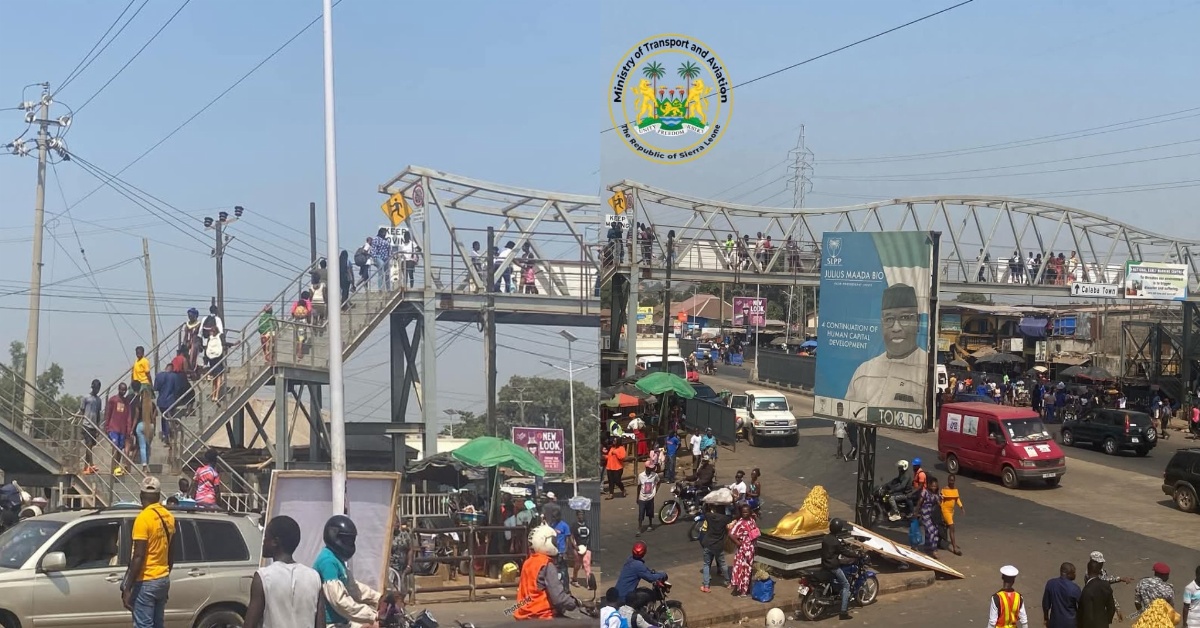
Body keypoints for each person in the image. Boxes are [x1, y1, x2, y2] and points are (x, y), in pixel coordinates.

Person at [844, 283, 927, 411]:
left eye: (905, 318)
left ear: (918, 321)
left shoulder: (927, 370)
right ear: (882, 323)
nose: (896, 328)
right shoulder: (864, 371)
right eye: (889, 319)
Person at [244, 515, 323, 628]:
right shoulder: (314, 577)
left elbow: (249, 625)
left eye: (266, 536)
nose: (263, 541)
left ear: (275, 542)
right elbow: (320, 624)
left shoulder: (263, 577)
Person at [122, 477, 176, 628]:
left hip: (145, 581)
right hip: (162, 578)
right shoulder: (169, 517)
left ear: (140, 495)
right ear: (159, 496)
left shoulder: (143, 519)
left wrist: (127, 587)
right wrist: (164, 576)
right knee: (158, 624)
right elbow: (171, 552)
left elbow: (138, 556)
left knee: (143, 625)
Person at [313, 515, 382, 627]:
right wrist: (373, 615)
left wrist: (379, 598)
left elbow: (353, 587)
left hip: (343, 622)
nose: (350, 544)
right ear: (334, 536)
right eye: (347, 540)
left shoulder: (337, 560)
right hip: (330, 624)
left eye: (351, 540)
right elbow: (339, 601)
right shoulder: (327, 562)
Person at [514, 523, 590, 619]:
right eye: (554, 541)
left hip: (524, 614)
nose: (556, 543)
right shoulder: (546, 564)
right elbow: (559, 598)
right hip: (542, 615)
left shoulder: (528, 562)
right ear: (545, 541)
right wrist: (575, 603)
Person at [818, 518, 858, 621]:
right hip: (833, 567)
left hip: (824, 564)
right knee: (846, 585)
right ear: (839, 529)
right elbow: (845, 552)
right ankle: (843, 612)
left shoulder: (826, 538)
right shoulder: (836, 542)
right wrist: (856, 554)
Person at [728, 504, 760, 597]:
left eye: (746, 512)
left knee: (748, 570)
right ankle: (741, 590)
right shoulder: (740, 523)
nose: (745, 514)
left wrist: (756, 548)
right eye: (743, 512)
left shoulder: (752, 521)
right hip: (742, 550)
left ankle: (746, 589)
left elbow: (755, 535)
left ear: (750, 512)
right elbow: (731, 534)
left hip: (751, 549)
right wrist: (737, 542)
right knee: (740, 569)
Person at [699, 503, 731, 593]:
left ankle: (706, 586)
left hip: (708, 544)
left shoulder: (710, 516)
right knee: (723, 564)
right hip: (718, 545)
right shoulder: (725, 519)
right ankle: (728, 582)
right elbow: (734, 515)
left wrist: (708, 503)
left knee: (706, 564)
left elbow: (704, 510)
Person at [1079, 559, 1118, 628]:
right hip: (1103, 624)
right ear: (1099, 571)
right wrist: (1106, 621)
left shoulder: (1087, 589)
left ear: (1088, 572)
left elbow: (1087, 614)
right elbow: (1111, 607)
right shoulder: (1105, 585)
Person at [1041, 562, 1081, 628]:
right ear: (1068, 574)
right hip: (1071, 624)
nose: (1075, 574)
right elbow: (1081, 607)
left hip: (1055, 623)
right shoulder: (1075, 588)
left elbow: (1046, 605)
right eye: (1073, 572)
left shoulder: (1051, 584)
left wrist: (1046, 618)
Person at [940, 473, 965, 556]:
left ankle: (939, 541)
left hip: (951, 511)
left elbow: (957, 499)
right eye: (950, 480)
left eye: (952, 481)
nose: (951, 482)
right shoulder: (944, 490)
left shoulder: (955, 490)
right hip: (945, 510)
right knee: (952, 527)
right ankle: (954, 548)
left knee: (945, 528)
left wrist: (961, 507)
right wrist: (941, 511)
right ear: (948, 481)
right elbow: (941, 501)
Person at [635, 463, 658, 536]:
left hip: (650, 497)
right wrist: (637, 497)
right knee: (641, 513)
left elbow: (658, 482)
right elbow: (639, 486)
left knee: (650, 512)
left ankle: (650, 524)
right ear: (646, 468)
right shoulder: (641, 476)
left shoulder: (655, 475)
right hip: (642, 497)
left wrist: (655, 490)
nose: (651, 469)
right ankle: (639, 527)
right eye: (650, 468)